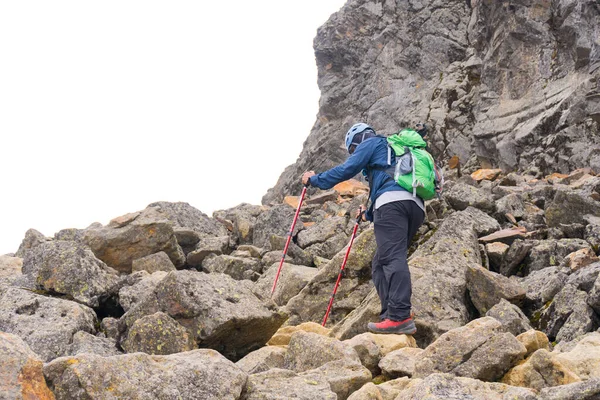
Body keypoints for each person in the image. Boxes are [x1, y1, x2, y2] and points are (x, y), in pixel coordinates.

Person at [302, 123, 425, 335]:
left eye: (352, 148)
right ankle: (389, 314)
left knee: (392, 258)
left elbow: (347, 169)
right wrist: (368, 214)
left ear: (358, 139)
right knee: (379, 262)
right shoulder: (391, 151)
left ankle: (399, 317)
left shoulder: (372, 143)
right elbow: (387, 182)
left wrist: (314, 180)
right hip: (415, 205)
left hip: (392, 203)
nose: (354, 152)